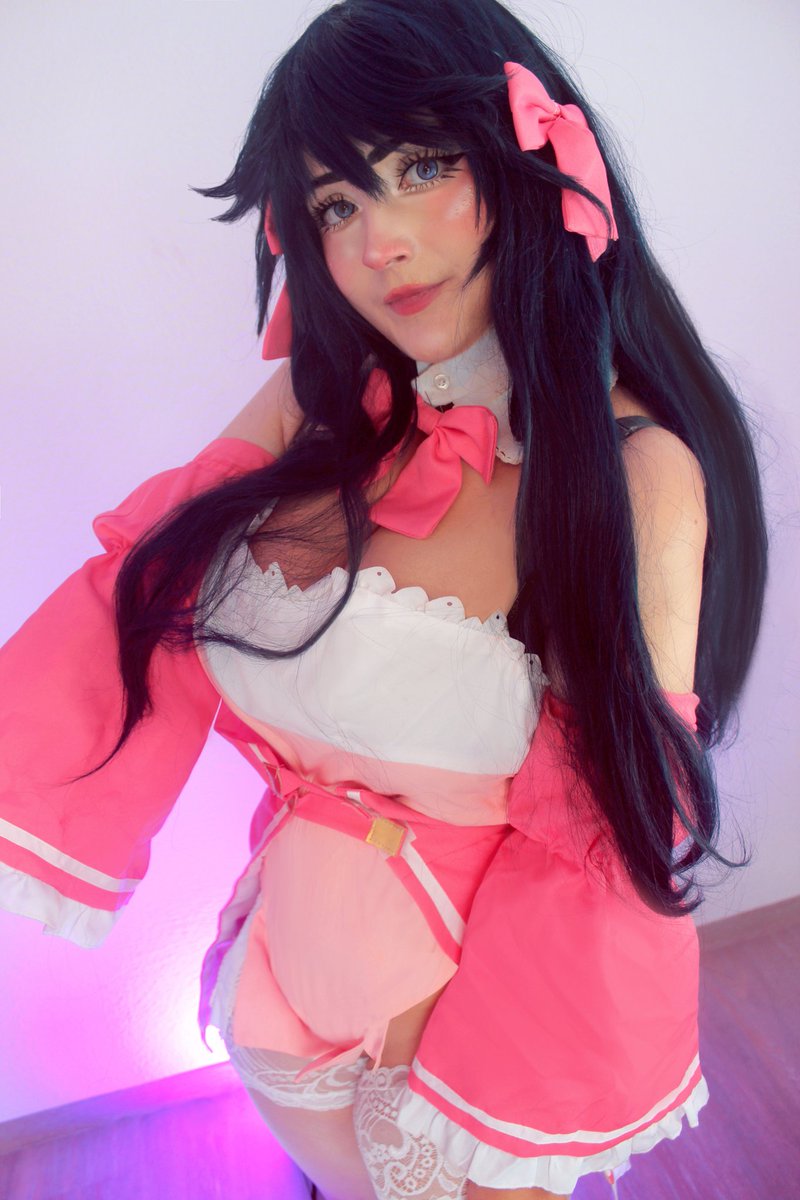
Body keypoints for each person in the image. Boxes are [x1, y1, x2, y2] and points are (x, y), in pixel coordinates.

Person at [0, 1, 768, 1198]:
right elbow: (135, 588)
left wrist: (495, 1141)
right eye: (334, 205)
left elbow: (605, 835)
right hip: (269, 989)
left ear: (530, 162)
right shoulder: (325, 412)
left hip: (443, 1070)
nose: (380, 244)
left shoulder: (630, 478)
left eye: (419, 168)